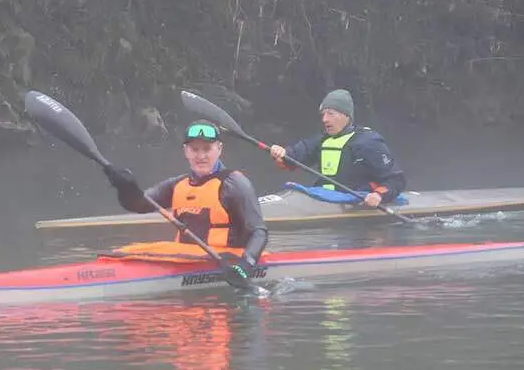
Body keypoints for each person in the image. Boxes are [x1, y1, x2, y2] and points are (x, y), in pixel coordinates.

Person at [102, 119, 269, 280]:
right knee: (128, 251)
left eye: (207, 149)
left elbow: (259, 231)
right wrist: (125, 188)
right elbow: (137, 204)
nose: (201, 156)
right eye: (195, 149)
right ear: (186, 151)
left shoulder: (235, 184)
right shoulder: (177, 185)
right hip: (184, 258)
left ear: (219, 149)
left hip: (229, 261)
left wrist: (246, 265)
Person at [269, 89, 406, 208]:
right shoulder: (322, 140)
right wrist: (282, 153)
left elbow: (396, 180)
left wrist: (378, 195)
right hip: (323, 198)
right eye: (323, 114)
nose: (324, 119)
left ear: (346, 115)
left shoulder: (368, 142)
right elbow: (294, 157)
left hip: (356, 202)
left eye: (330, 113)